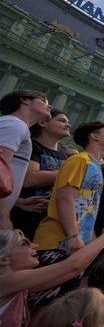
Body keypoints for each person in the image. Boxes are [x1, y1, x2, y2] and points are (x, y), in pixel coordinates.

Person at [0, 216, 104, 327]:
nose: (34, 245)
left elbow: (73, 271)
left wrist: (103, 240)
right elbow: (72, 266)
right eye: (24, 243)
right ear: (3, 259)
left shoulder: (20, 287)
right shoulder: (4, 282)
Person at [31, 121, 104, 305]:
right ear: (95, 136)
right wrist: (73, 234)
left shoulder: (95, 166)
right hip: (57, 242)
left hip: (76, 244)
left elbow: (89, 207)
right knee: (43, 305)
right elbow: (65, 198)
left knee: (60, 305)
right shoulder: (80, 160)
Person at [10, 108, 72, 239]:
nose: (68, 125)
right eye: (62, 120)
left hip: (49, 224)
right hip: (22, 217)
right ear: (43, 123)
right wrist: (71, 173)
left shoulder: (65, 154)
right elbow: (29, 179)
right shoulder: (31, 146)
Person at [0, 89, 52, 230]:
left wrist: (17, 202)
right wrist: (4, 217)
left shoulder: (15, 126)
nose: (50, 106)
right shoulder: (15, 125)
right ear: (25, 100)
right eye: (43, 101)